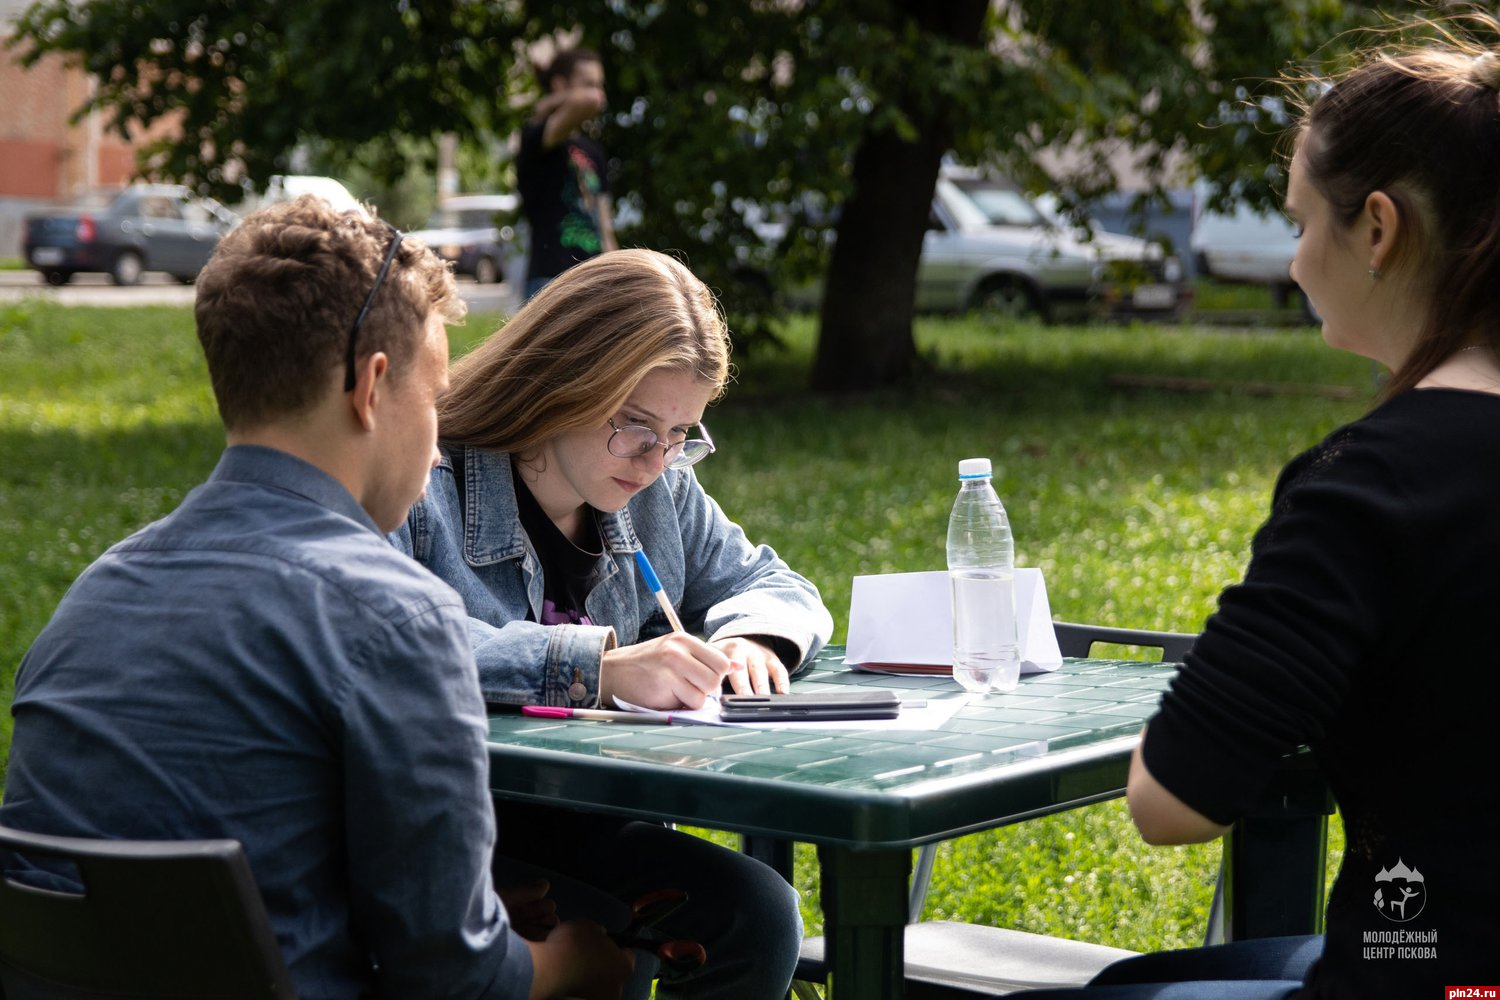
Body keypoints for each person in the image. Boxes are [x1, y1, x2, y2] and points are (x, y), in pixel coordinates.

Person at [0, 197, 633, 1000]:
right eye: (434, 399)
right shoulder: (395, 617)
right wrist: (573, 961)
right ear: (371, 388)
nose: (438, 438)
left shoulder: (94, 598)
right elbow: (461, 984)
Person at [1014, 15, 1500, 1000]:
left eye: (1299, 222)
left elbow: (1174, 801)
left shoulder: (1365, 484)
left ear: (1376, 227)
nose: (1292, 261)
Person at [393, 247, 833, 998]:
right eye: (634, 425)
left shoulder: (658, 488)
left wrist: (751, 637)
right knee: (622, 927)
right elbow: (391, 638)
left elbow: (772, 581)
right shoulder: (424, 483)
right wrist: (595, 669)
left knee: (759, 914)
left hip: (594, 818)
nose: (655, 459)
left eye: (681, 433)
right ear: (562, 379)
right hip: (458, 834)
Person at [516, 45, 618, 299]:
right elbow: (592, 101)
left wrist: (618, 274)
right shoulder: (537, 138)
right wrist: (553, 103)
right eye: (588, 83)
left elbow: (604, 227)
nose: (598, 93)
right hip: (550, 282)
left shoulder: (594, 152)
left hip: (594, 282)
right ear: (560, 85)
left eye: (599, 84)